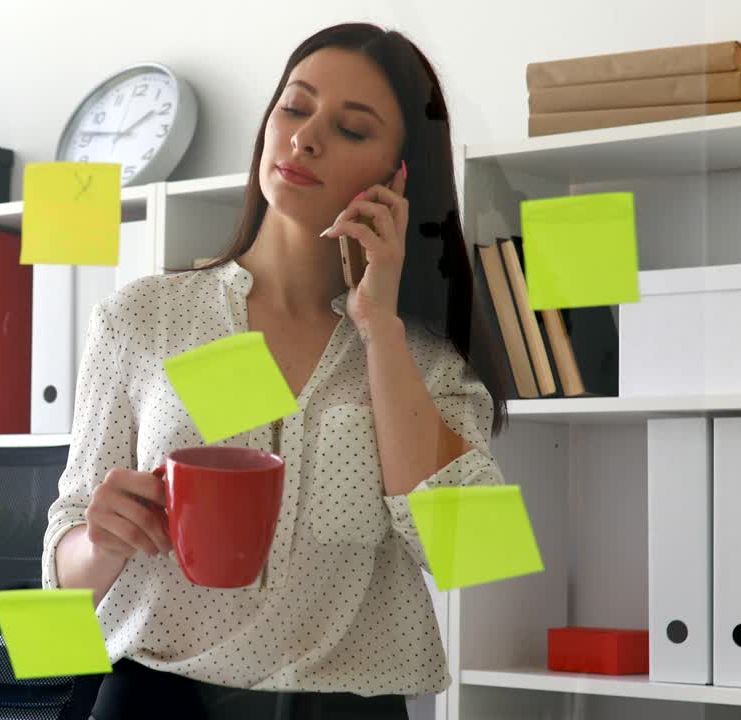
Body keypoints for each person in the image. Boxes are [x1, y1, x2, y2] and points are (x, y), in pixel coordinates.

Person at [41, 22, 513, 720]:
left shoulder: (425, 357)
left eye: (352, 129)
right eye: (295, 107)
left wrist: (378, 327)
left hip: (345, 708)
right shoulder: (140, 319)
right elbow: (59, 579)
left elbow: (472, 553)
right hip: (157, 700)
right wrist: (101, 539)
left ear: (397, 175)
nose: (306, 137)